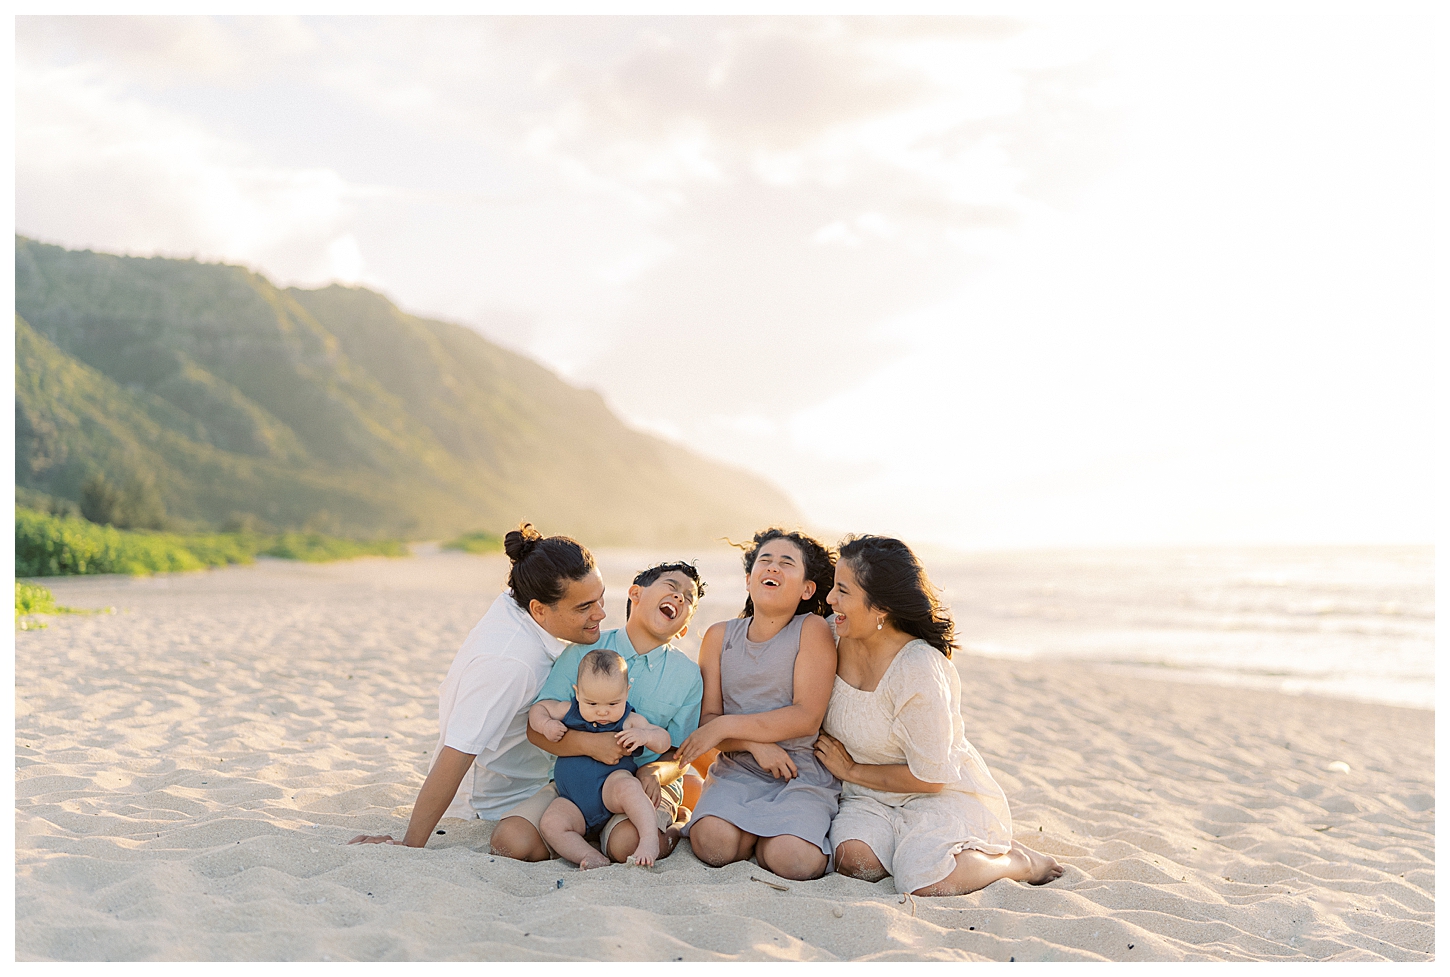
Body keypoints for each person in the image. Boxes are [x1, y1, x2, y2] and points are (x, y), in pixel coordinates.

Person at [811, 535, 1064, 895]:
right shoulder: (832, 637)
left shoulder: (918, 670)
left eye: (843, 590)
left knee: (924, 883)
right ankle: (913, 848)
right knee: (854, 861)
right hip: (865, 793)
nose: (831, 599)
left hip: (934, 794)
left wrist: (850, 769)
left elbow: (931, 779)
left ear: (880, 606)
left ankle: (1018, 863)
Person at [346, 523, 605, 849]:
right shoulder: (510, 662)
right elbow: (456, 753)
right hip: (499, 803)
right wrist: (410, 845)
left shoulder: (519, 604)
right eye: (584, 607)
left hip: (542, 775)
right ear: (539, 609)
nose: (601, 613)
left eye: (600, 598)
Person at [676, 529, 840, 881]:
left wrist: (724, 726)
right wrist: (753, 744)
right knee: (712, 845)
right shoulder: (720, 636)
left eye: (787, 563)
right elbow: (709, 722)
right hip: (737, 768)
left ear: (807, 589)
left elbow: (806, 718)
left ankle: (771, 839)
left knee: (793, 859)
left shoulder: (811, 629)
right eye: (765, 560)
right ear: (749, 580)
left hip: (797, 771)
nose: (774, 568)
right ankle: (750, 834)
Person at [518, 561, 707, 864]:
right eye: (672, 587)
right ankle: (589, 842)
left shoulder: (687, 675)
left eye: (689, 598)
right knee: (513, 842)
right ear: (635, 594)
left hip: (639, 786)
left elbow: (680, 754)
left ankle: (677, 823)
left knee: (626, 846)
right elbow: (536, 728)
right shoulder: (583, 650)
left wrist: (653, 772)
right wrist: (591, 746)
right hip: (575, 784)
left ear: (683, 628)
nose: (680, 597)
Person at [530, 650, 672, 868]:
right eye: (592, 704)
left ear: (626, 693)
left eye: (613, 704)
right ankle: (589, 855)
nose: (603, 712)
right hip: (572, 800)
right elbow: (538, 709)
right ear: (577, 694)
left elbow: (664, 740)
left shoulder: (629, 720)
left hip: (610, 793)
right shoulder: (569, 710)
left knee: (628, 787)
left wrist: (645, 736)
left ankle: (649, 839)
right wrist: (546, 725)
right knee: (551, 823)